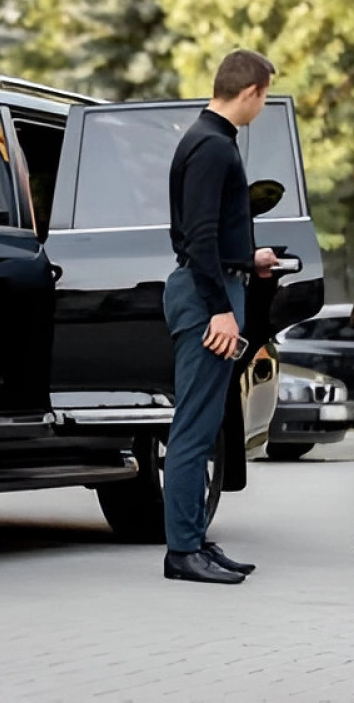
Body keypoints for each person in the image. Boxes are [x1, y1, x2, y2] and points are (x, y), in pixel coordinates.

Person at [162, 49, 280, 585]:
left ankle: (195, 540)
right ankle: (182, 552)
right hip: (205, 298)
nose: (263, 106)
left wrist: (247, 258)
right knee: (194, 427)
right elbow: (199, 236)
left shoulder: (209, 139)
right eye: (265, 96)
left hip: (214, 284)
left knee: (206, 424)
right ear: (250, 91)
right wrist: (219, 310)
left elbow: (206, 233)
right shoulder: (211, 145)